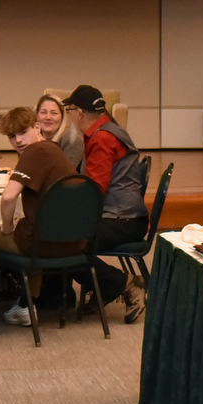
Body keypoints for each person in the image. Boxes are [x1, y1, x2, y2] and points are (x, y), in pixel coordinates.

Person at [0, 106, 77, 326]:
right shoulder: (54, 150)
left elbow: (8, 197)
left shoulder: (35, 151)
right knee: (30, 226)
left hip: (44, 243)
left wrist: (6, 227)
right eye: (12, 136)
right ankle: (24, 305)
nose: (19, 141)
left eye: (23, 132)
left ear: (37, 127)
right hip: (74, 240)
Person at [63, 84, 148, 319]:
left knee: (61, 242)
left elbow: (94, 190)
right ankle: (107, 286)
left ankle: (124, 283)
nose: (69, 116)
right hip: (125, 216)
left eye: (69, 110)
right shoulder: (110, 130)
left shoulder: (101, 139)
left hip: (122, 219)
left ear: (79, 113)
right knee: (64, 235)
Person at [35, 94, 85, 172]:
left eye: (54, 113)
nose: (48, 117)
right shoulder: (31, 136)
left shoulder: (72, 139)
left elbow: (63, 174)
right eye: (43, 112)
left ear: (62, 116)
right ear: (37, 115)